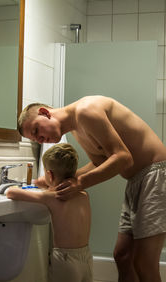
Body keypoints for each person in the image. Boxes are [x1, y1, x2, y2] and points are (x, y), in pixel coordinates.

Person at [17, 95, 166, 282]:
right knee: (123, 256)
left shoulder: (86, 111)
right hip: (136, 181)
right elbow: (100, 162)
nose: (40, 139)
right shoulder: (77, 129)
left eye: (36, 130)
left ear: (45, 112)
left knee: (144, 262)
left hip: (156, 174)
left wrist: (79, 183)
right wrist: (58, 181)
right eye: (36, 139)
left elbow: (123, 157)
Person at [6, 143, 92, 282]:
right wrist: (47, 182)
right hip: (86, 257)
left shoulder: (52, 197)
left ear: (49, 174)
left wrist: (19, 184)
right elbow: (47, 184)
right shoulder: (83, 195)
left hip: (65, 259)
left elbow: (11, 193)